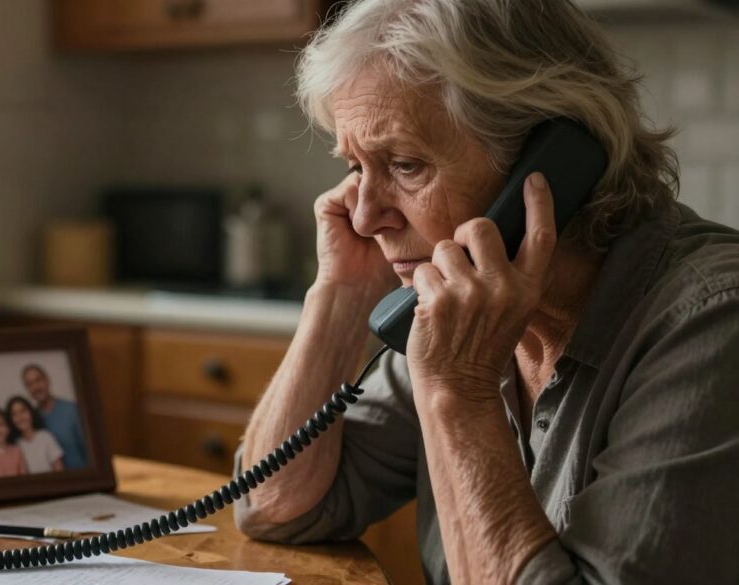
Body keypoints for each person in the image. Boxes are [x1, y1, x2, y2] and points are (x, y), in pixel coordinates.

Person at [233, 2, 739, 584]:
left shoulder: (710, 322)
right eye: (355, 167)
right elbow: (275, 506)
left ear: (550, 159)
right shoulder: (459, 303)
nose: (365, 216)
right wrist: (341, 295)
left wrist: (457, 392)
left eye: (403, 164)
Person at [22, 364, 88, 469]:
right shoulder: (30, 420)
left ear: (47, 380)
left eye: (38, 380)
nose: (36, 387)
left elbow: (90, 451)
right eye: (30, 384)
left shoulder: (73, 410)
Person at [6, 395, 65, 473]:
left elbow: (58, 468)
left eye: (23, 411)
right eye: (15, 414)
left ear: (31, 412)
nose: (20, 417)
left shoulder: (45, 436)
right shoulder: (14, 445)